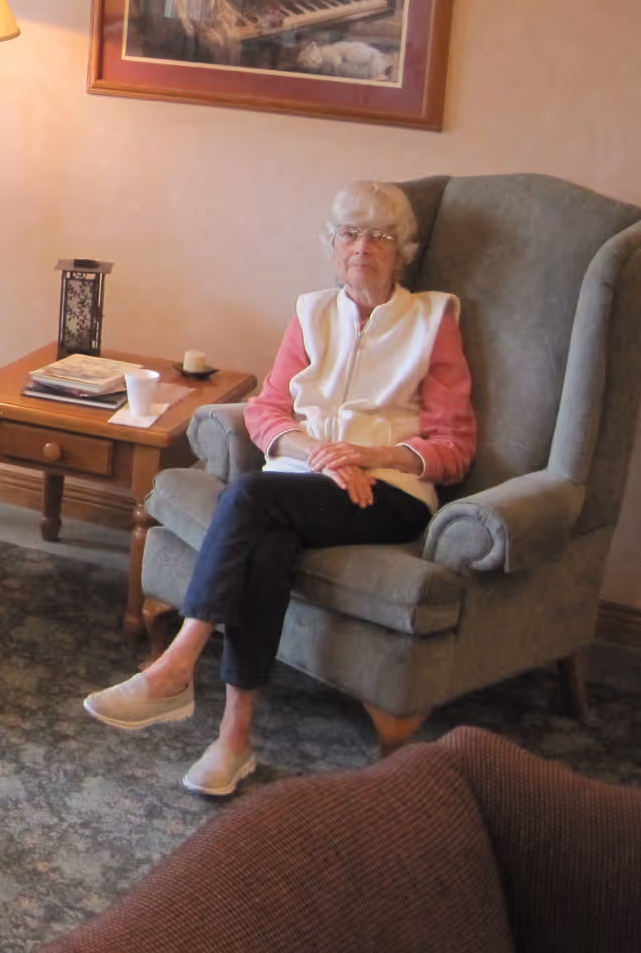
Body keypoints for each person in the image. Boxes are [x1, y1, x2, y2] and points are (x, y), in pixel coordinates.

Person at [83, 180, 476, 796]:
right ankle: (234, 739)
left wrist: (368, 454)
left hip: (389, 494)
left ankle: (178, 664)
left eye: (379, 236)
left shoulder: (433, 320)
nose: (361, 249)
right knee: (266, 543)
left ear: (403, 251)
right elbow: (268, 411)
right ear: (330, 243)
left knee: (247, 499)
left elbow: (455, 446)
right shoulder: (311, 311)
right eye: (348, 234)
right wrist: (316, 452)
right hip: (303, 480)